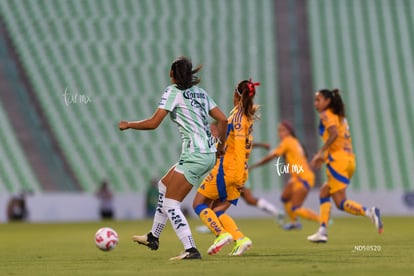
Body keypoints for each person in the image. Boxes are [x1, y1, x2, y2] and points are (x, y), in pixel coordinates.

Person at [119, 56, 227, 260]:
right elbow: (222, 119)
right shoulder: (201, 93)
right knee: (164, 185)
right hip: (206, 153)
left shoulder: (173, 92)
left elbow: (153, 123)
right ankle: (153, 236)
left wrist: (129, 124)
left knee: (171, 204)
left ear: (172, 74)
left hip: (195, 155)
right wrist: (220, 146)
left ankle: (191, 249)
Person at [193, 79, 260, 256]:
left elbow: (235, 146)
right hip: (240, 171)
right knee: (218, 211)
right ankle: (241, 239)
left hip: (228, 169)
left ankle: (221, 234)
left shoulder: (237, 117)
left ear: (236, 95)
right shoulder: (247, 116)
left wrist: (219, 150)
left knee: (198, 204)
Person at [307, 89, 383, 243]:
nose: (316, 103)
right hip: (348, 160)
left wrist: (320, 152)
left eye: (318, 100)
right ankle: (322, 231)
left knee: (341, 202)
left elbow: (334, 134)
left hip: (337, 161)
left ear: (327, 101)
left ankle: (369, 212)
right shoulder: (339, 116)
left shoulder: (327, 114)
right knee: (323, 192)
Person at [196, 122, 283, 235]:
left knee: (216, 203)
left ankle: (217, 226)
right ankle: (276, 212)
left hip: (233, 174)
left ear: (219, 129)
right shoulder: (236, 139)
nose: (211, 132)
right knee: (247, 200)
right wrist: (262, 145)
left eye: (213, 130)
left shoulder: (225, 139)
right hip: (238, 173)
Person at [250, 121, 319, 230]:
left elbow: (271, 157)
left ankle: (322, 220)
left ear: (289, 132)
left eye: (282, 130)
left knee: (296, 208)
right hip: (298, 177)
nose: (280, 133)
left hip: (302, 178)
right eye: (279, 130)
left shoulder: (287, 141)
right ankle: (294, 222)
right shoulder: (295, 141)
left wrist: (254, 166)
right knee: (285, 198)